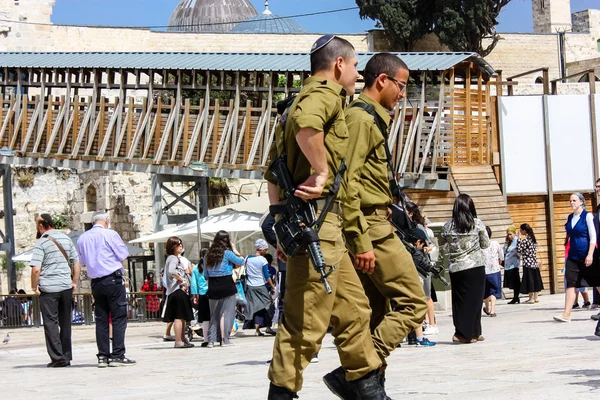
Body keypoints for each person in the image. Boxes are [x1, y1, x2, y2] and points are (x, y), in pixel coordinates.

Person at [264, 35, 385, 399]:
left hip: (318, 227)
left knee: (354, 311)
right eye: (354, 65)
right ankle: (282, 394)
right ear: (338, 65)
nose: (356, 73)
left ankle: (365, 389)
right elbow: (307, 124)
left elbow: (272, 170)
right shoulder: (325, 95)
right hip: (320, 226)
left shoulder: (291, 105)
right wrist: (320, 170)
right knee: (303, 325)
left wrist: (279, 222)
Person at [337, 52, 428, 385]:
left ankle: (369, 384)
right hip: (369, 228)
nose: (402, 95)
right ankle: (359, 374)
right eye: (401, 86)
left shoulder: (371, 118)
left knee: (376, 312)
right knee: (414, 302)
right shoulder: (361, 119)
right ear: (382, 81)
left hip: (375, 220)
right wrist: (361, 239)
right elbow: (347, 183)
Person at [77, 211, 135, 367]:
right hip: (112, 279)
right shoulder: (110, 234)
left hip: (96, 282)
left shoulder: (83, 238)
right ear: (106, 220)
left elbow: (82, 261)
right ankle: (117, 355)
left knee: (101, 320)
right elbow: (123, 254)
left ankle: (103, 356)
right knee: (118, 317)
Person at [30, 213, 80, 368]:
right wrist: (74, 282)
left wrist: (34, 286)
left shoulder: (41, 242)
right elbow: (76, 263)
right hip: (65, 287)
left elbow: (36, 269)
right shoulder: (66, 238)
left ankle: (58, 358)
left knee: (51, 323)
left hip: (49, 288)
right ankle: (66, 356)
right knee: (65, 322)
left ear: (40, 226)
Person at [440, 194, 489, 344]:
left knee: (460, 301)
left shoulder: (447, 226)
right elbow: (485, 244)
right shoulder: (477, 224)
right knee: (475, 300)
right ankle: (471, 333)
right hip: (475, 266)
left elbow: (443, 245)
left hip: (456, 268)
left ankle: (463, 332)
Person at [555, 193, 600, 322]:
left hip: (587, 256)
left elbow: (593, 236)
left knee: (597, 282)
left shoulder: (588, 216)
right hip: (573, 256)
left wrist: (590, 254)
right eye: (570, 201)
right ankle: (566, 314)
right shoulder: (570, 217)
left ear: (581, 202)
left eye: (574, 200)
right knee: (571, 283)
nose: (572, 203)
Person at [204, 230, 244, 348]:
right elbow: (241, 261)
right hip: (227, 284)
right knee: (227, 313)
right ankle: (224, 340)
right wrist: (234, 249)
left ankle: (211, 340)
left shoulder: (207, 255)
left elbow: (206, 275)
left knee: (214, 314)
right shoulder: (227, 253)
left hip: (213, 285)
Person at [162, 236, 194, 348]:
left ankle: (182, 339)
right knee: (179, 316)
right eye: (178, 244)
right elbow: (171, 271)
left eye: (181, 244)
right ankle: (179, 341)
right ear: (173, 247)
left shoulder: (173, 258)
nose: (181, 246)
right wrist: (181, 279)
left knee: (182, 316)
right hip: (177, 290)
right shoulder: (173, 258)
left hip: (177, 290)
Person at [243, 239, 277, 336]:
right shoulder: (263, 260)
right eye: (265, 249)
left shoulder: (247, 258)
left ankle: (257, 329)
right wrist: (272, 286)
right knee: (267, 306)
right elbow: (266, 275)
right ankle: (268, 327)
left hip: (250, 286)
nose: (266, 251)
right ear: (261, 249)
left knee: (255, 308)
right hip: (261, 286)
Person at [261, 213, 286, 324]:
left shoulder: (285, 242)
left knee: (286, 300)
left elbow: (266, 227)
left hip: (287, 268)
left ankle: (284, 325)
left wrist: (276, 209)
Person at [517, 223, 544, 305]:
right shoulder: (533, 239)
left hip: (528, 262)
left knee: (530, 280)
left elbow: (519, 249)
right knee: (536, 279)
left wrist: (518, 239)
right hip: (534, 262)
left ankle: (531, 298)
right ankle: (536, 297)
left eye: (521, 230)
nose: (520, 231)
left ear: (524, 231)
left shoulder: (526, 240)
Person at [482, 226, 504, 317]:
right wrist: (500, 261)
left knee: (485, 290)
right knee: (494, 290)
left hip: (484, 270)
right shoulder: (495, 243)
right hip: (495, 269)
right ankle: (492, 310)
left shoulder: (480, 245)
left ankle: (487, 307)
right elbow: (501, 255)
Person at [191, 249, 210, 346]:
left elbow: (194, 284)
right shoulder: (211, 266)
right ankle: (216, 336)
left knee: (205, 318)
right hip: (212, 293)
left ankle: (205, 339)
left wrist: (195, 295)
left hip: (202, 295)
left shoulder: (195, 268)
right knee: (214, 316)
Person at [503, 226, 521, 304]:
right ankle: (515, 297)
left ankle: (516, 297)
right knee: (512, 283)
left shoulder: (517, 241)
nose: (509, 236)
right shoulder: (509, 242)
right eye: (508, 234)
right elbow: (503, 251)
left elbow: (520, 250)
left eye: (510, 234)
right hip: (508, 265)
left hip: (514, 265)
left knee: (516, 282)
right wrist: (506, 243)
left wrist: (519, 255)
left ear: (514, 233)